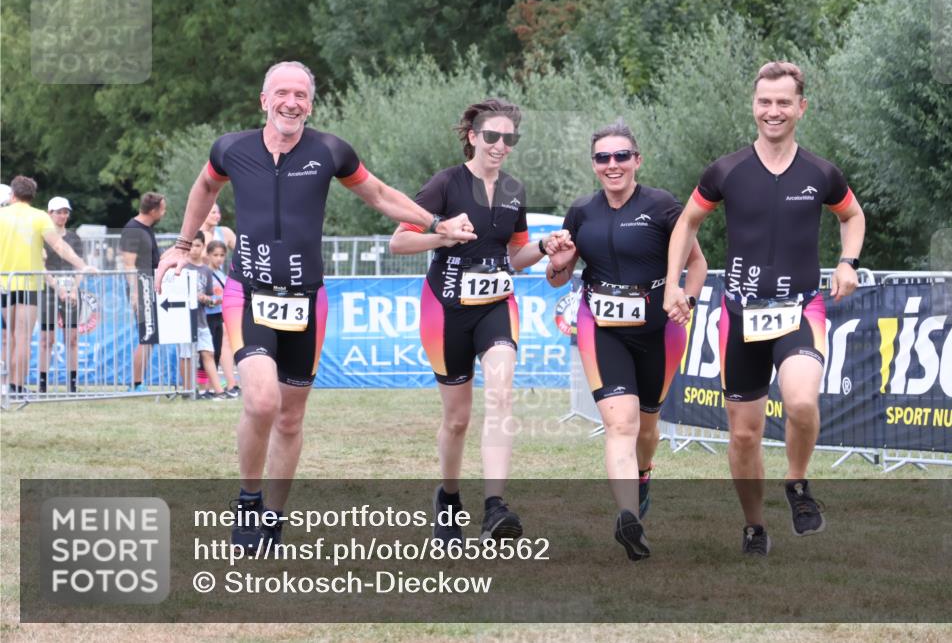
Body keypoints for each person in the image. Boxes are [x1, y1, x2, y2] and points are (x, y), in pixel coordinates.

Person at [155, 60, 475, 549]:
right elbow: (204, 186)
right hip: (249, 294)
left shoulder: (330, 151)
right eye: (281, 93)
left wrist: (437, 223)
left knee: (290, 417)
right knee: (262, 401)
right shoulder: (231, 149)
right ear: (264, 100)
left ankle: (274, 521)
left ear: (310, 102)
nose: (291, 102)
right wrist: (181, 245)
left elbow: (381, 195)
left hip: (308, 300)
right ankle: (247, 498)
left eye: (301, 94)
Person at [664, 61, 866, 556]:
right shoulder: (726, 171)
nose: (772, 111)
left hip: (800, 310)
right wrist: (673, 284)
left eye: (782, 102)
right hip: (739, 316)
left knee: (800, 403)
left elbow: (853, 216)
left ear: (801, 107)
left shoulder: (821, 172)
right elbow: (687, 223)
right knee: (744, 436)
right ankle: (754, 525)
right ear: (754, 105)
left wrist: (847, 262)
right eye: (764, 102)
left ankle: (797, 483)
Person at [390, 98, 571, 546]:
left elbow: (515, 257)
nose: (500, 145)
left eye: (509, 138)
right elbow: (398, 243)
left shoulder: (513, 190)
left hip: (496, 305)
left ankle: (495, 507)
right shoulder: (445, 183)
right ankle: (449, 499)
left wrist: (546, 247)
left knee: (502, 396)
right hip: (445, 309)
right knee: (457, 419)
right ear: (473, 137)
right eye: (492, 136)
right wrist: (441, 233)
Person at [546, 120, 707, 561]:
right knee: (621, 422)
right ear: (594, 165)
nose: (612, 165)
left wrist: (686, 300)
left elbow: (698, 265)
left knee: (648, 425)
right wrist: (558, 264)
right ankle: (627, 517)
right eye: (603, 158)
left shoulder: (662, 206)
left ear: (637, 160)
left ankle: (642, 474)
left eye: (621, 156)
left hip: (660, 329)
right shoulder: (581, 212)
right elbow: (558, 277)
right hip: (600, 327)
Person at [0, 177, 93, 397]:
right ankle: (16, 386)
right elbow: (60, 246)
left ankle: (7, 385)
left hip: (4, 282)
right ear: (33, 196)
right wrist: (83, 265)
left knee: (9, 336)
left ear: (13, 195)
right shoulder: (39, 217)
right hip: (29, 285)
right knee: (22, 337)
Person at [120, 191, 167, 391]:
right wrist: (134, 293)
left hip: (149, 286)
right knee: (146, 336)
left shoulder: (146, 228)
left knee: (150, 337)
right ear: (154, 210)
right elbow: (128, 264)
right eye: (163, 209)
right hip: (141, 288)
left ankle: (139, 382)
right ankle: (136, 383)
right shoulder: (133, 229)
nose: (164, 213)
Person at [38, 196, 85, 393]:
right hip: (48, 289)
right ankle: (42, 384)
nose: (63, 215)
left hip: (72, 291)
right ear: (50, 214)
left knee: (72, 338)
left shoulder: (74, 238)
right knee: (46, 339)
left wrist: (73, 288)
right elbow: (39, 266)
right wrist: (56, 287)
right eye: (59, 212)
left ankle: (72, 384)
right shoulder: (41, 237)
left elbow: (80, 265)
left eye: (66, 212)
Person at [175, 232, 227, 400]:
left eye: (197, 245)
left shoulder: (206, 271)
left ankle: (219, 391)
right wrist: (191, 295)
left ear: (203, 247)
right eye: (190, 245)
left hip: (201, 319)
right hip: (184, 319)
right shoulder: (181, 267)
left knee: (208, 353)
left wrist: (210, 300)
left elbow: (209, 297)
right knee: (187, 355)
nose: (193, 249)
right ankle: (188, 390)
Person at [204, 240, 239, 397]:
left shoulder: (221, 274)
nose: (219, 258)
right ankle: (205, 388)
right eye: (215, 255)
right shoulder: (205, 273)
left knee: (217, 352)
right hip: (207, 317)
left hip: (220, 316)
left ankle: (213, 386)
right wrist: (214, 300)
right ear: (208, 255)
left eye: (222, 255)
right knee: (208, 353)